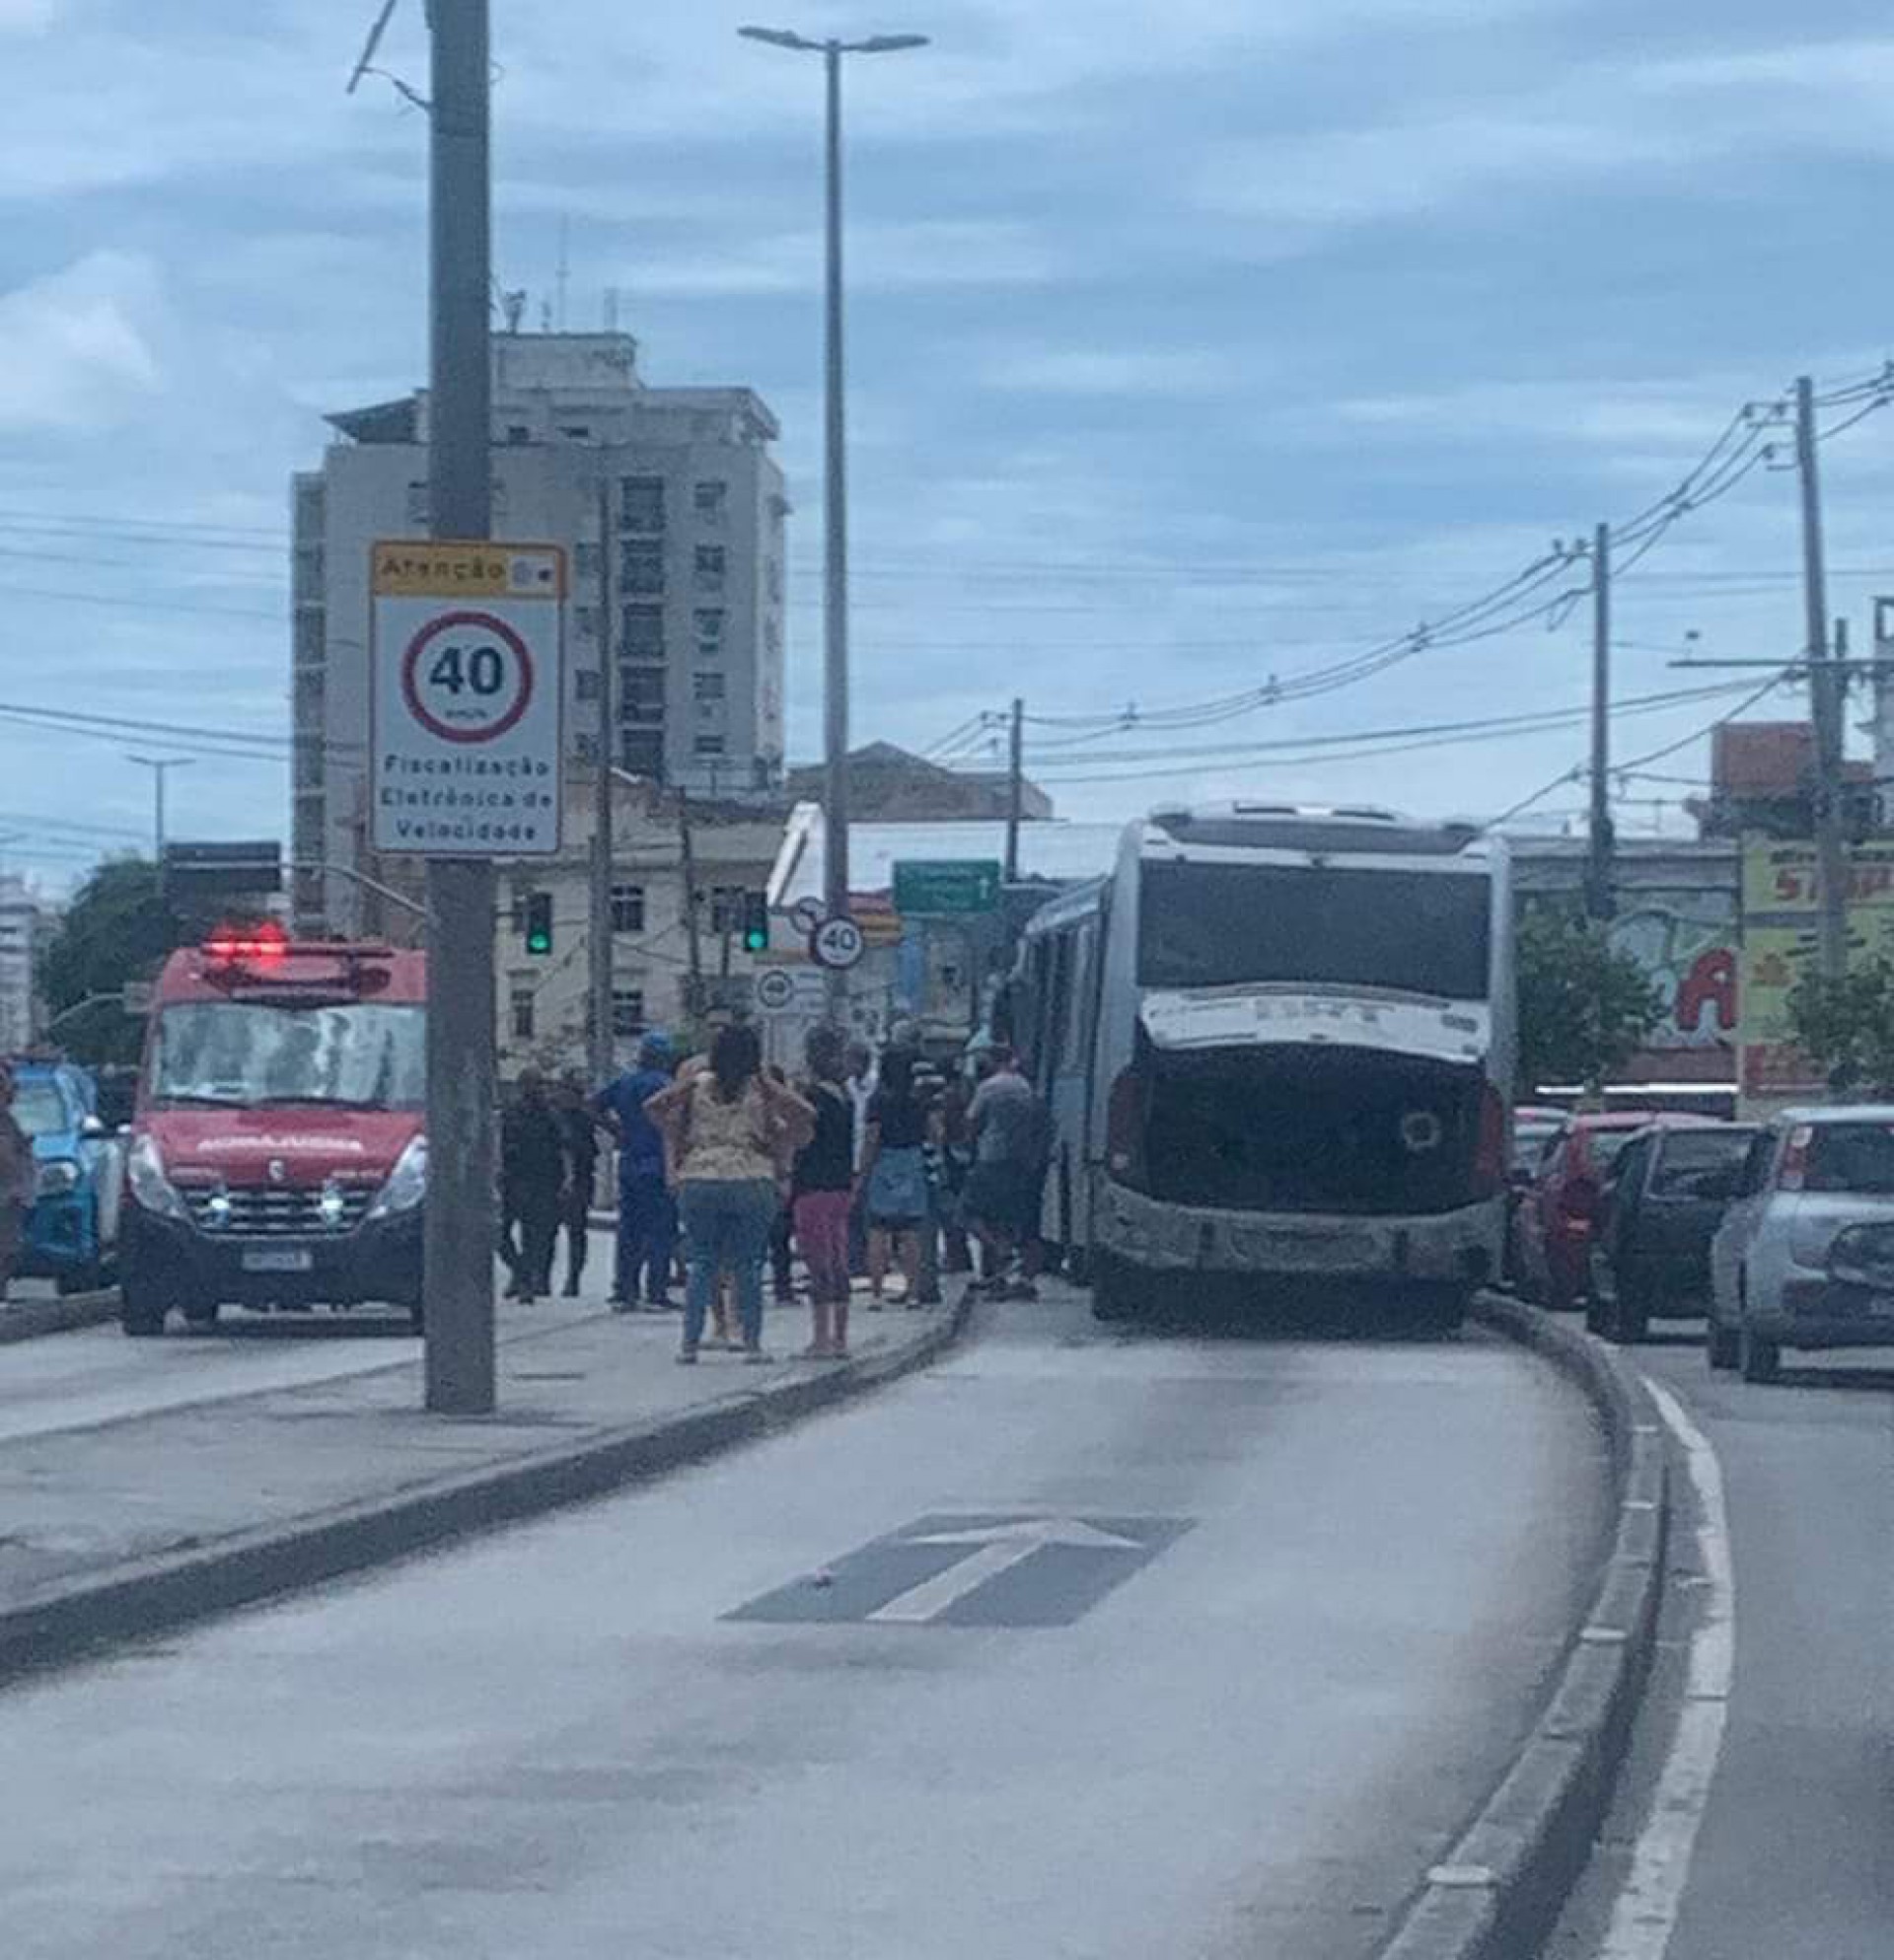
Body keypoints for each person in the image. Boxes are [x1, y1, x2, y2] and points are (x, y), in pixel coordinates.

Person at [648, 1023, 813, 1364]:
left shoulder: (697, 1085)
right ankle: (751, 1344)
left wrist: (683, 1095)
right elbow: (805, 1113)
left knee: (702, 1263)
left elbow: (653, 1107)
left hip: (699, 1175)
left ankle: (689, 1346)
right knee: (749, 1264)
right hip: (752, 1176)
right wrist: (782, 1149)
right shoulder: (762, 1089)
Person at [594, 1034, 678, 1312]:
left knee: (629, 1229)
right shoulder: (666, 1086)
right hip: (659, 1165)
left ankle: (625, 1289)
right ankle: (656, 1290)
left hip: (630, 1163)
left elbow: (594, 1105)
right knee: (661, 1229)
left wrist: (616, 1130)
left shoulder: (625, 1082)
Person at [964, 1046, 1050, 1300]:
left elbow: (971, 1121)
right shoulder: (1027, 1088)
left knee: (970, 1214)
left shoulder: (989, 1087)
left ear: (992, 1061)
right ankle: (1021, 1280)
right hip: (1024, 1163)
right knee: (1020, 1222)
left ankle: (1001, 1252)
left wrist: (970, 1145)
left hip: (991, 1160)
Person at [792, 1026, 856, 1358]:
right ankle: (840, 1337)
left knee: (818, 1263)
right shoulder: (845, 1097)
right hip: (841, 1186)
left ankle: (820, 1337)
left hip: (812, 1186)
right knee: (838, 1258)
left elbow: (801, 1141)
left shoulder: (812, 1098)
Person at [858, 1048, 934, 1309]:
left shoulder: (878, 1101)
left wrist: (862, 1174)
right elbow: (934, 1133)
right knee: (911, 1231)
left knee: (878, 1230)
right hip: (913, 1163)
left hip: (884, 1164)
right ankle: (913, 1292)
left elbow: (871, 1139)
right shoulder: (919, 1100)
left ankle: (877, 1294)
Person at [499, 1068, 567, 1303]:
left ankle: (527, 1282)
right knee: (499, 1234)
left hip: (542, 1181)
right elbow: (497, 1144)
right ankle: (520, 1272)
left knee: (534, 1236)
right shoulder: (511, 1113)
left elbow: (563, 1148)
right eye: (531, 1084)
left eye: (539, 1085)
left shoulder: (550, 1115)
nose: (536, 1089)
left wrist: (566, 1180)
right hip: (513, 1179)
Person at [552, 1071, 601, 1297]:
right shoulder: (553, 1115)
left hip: (581, 1180)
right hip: (551, 1180)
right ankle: (538, 1278)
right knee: (545, 1231)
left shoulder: (585, 1118)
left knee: (576, 1232)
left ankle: (573, 1278)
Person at [0, 1060, 33, 1305]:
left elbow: (20, 1156)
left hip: (10, 1195)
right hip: (7, 1194)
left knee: (10, 1248)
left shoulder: (9, 1122)